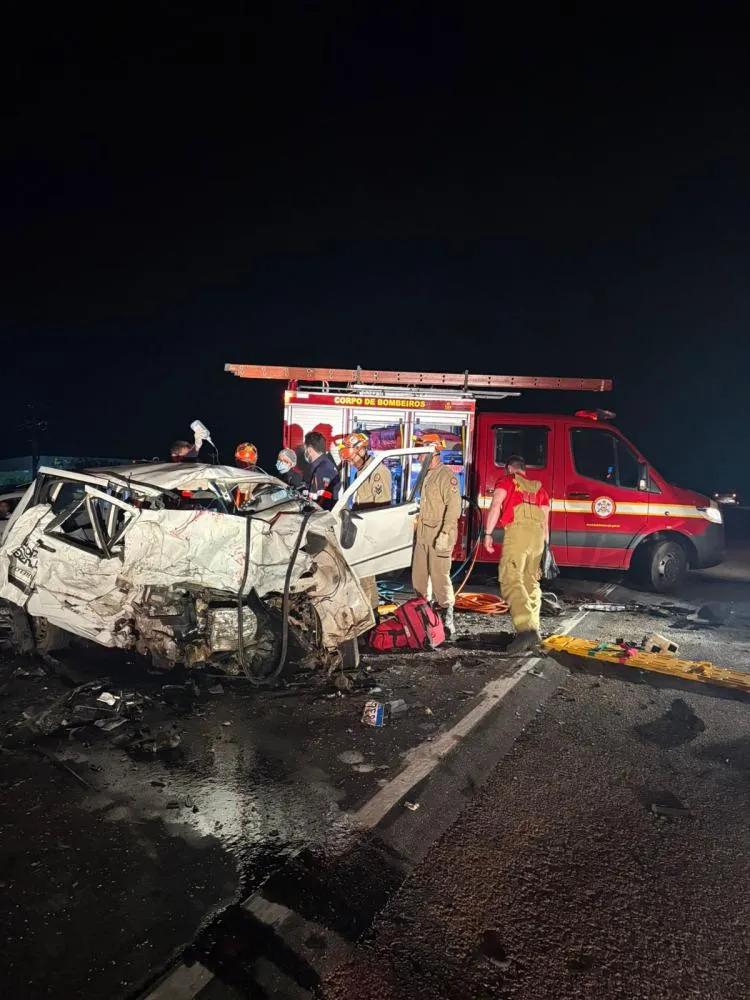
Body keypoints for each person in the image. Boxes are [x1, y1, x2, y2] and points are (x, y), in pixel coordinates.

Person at [483, 455, 550, 653]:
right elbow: (545, 521)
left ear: (509, 469)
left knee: (510, 578)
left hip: (518, 533)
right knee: (531, 582)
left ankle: (525, 630)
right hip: (538, 537)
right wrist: (546, 548)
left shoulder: (507, 481)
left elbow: (496, 504)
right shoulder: (540, 489)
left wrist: (488, 534)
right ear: (524, 470)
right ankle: (534, 630)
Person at [411, 436, 461, 637]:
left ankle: (447, 618)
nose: (418, 457)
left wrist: (445, 533)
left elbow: (454, 508)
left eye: (421, 453)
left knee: (440, 576)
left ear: (432, 452)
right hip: (423, 534)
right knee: (419, 577)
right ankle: (425, 616)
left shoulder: (446, 476)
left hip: (439, 534)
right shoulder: (426, 475)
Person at [341, 432, 392, 608]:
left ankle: (371, 612)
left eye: (352, 457)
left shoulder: (377, 471)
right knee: (363, 576)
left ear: (361, 450)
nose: (350, 462)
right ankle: (369, 611)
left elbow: (382, 507)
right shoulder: (362, 471)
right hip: (360, 530)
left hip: (370, 530)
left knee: (366, 576)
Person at [303, 431, 340, 510]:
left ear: (309, 450)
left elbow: (323, 502)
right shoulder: (323, 465)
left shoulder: (322, 469)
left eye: (305, 448)